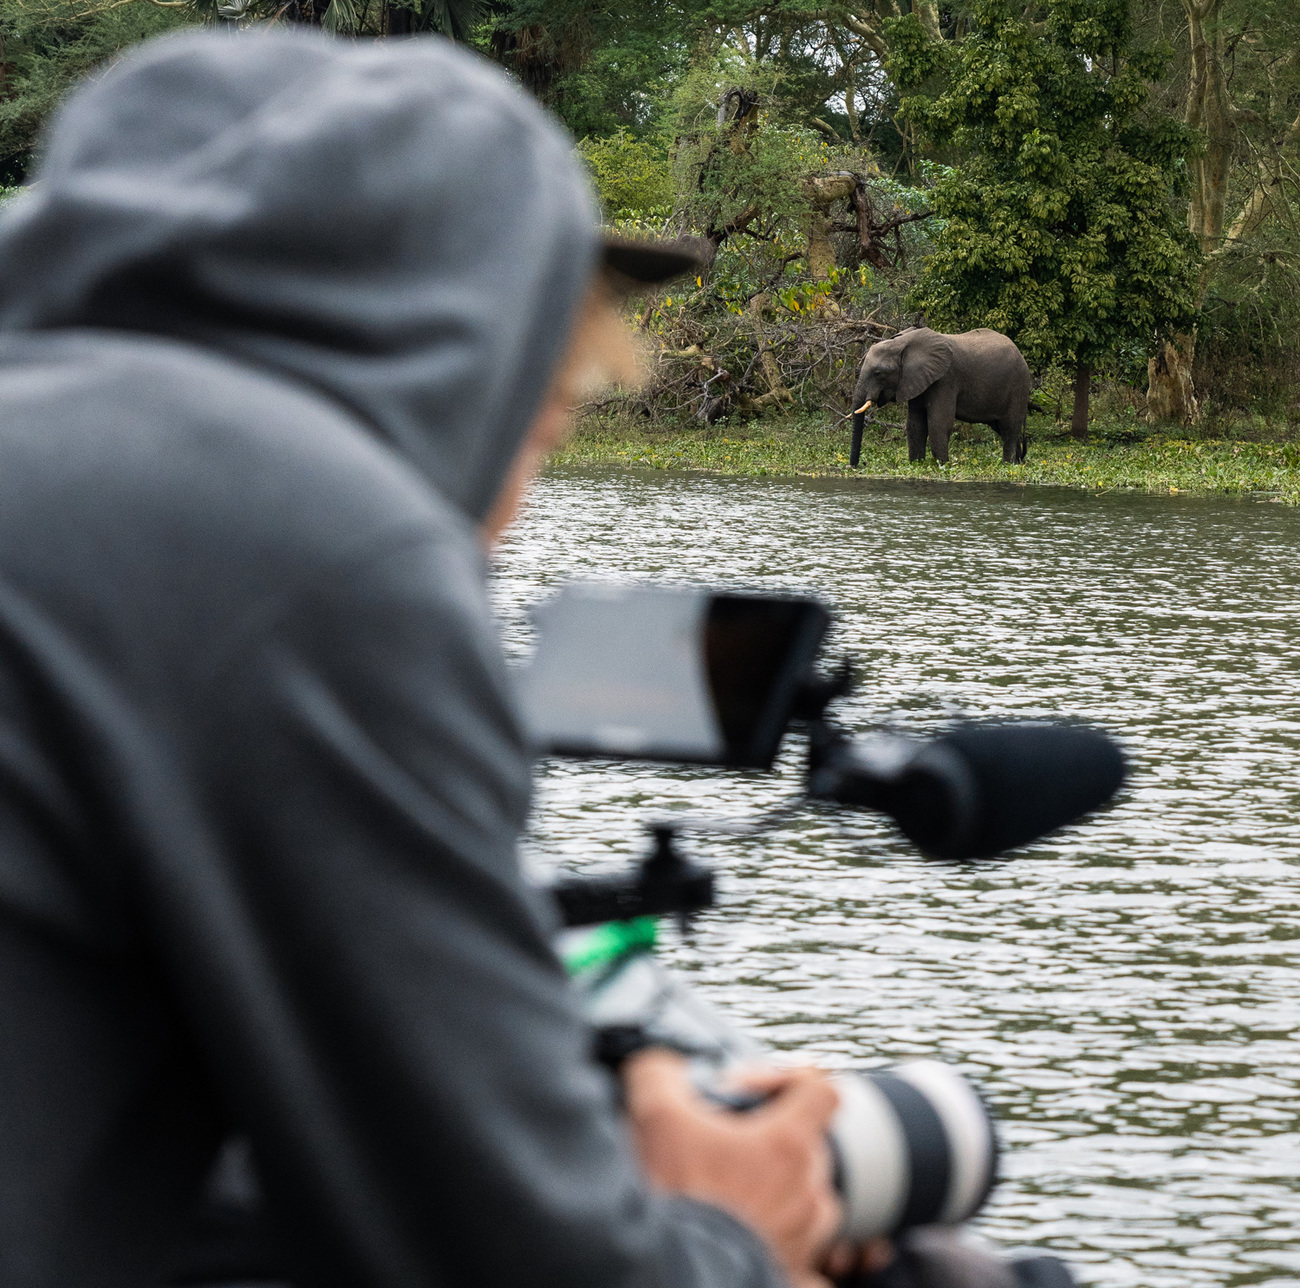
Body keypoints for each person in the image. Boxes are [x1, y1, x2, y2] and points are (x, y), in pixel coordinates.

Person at [0, 29, 871, 1288]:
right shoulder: (310, 546)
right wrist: (731, 1229)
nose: (507, 517)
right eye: (550, 418)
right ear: (454, 362)